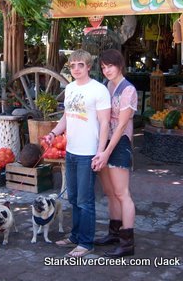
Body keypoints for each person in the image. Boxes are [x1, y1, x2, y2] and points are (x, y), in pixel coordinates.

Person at [45, 49, 111, 258]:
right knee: (73, 197)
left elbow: (105, 123)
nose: (75, 69)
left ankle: (86, 242)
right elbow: (67, 116)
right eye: (72, 65)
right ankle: (75, 236)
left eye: (80, 65)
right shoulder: (71, 88)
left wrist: (101, 152)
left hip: (88, 153)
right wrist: (53, 133)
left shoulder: (99, 90)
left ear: (88, 66)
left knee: (85, 200)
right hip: (71, 151)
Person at [91, 49, 137, 257]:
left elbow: (120, 126)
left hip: (119, 145)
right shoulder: (107, 86)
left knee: (122, 193)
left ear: (119, 65)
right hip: (104, 143)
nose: (107, 70)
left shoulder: (129, 90)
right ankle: (114, 233)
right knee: (109, 193)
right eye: (103, 67)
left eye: (110, 65)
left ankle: (127, 243)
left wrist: (106, 152)